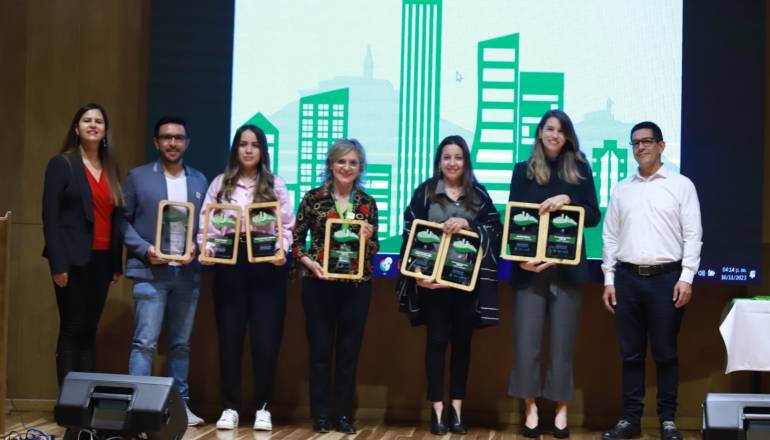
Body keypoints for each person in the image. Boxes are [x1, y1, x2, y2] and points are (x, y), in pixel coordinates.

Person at [601, 121, 702, 440]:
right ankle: (630, 420)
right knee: (630, 355)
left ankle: (667, 421)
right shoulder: (622, 188)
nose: (640, 147)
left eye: (647, 141)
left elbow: (693, 234)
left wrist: (687, 277)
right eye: (635, 143)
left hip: (667, 280)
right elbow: (610, 236)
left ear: (661, 145)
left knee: (665, 353)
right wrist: (609, 279)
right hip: (627, 279)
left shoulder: (681, 185)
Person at [396, 135, 502, 435]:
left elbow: (496, 230)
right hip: (433, 286)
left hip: (466, 286)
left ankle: (457, 409)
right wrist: (417, 273)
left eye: (458, 157)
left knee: (462, 346)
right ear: (439, 162)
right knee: (436, 343)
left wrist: (470, 225)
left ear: (466, 161)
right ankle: (437, 411)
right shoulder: (425, 192)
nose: (452, 163)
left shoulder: (479, 195)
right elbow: (410, 233)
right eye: (447, 157)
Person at [506, 110, 600, 438]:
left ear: (568, 136)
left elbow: (593, 217)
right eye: (549, 128)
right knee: (526, 344)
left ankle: (561, 409)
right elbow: (514, 219)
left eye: (561, 130)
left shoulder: (581, 170)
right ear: (539, 132)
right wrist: (521, 261)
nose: (554, 134)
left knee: (562, 345)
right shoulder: (522, 170)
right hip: (529, 270)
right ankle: (530, 408)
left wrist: (568, 199)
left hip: (567, 271)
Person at [198, 124, 295, 431]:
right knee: (230, 338)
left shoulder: (275, 184)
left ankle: (263, 407)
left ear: (263, 150)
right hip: (230, 265)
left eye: (255, 144)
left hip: (267, 264)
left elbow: (286, 226)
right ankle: (230, 407)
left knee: (265, 340)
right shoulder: (220, 183)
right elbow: (207, 225)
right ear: (236, 149)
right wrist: (207, 248)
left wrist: (281, 250)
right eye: (243, 144)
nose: (249, 149)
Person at [121, 116, 208, 426]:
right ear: (156, 142)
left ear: (187, 143)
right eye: (167, 137)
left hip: (187, 275)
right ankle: (138, 408)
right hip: (150, 273)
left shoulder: (199, 180)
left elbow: (205, 226)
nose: (173, 143)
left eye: (178, 137)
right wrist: (146, 250)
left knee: (180, 345)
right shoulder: (138, 177)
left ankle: (180, 407)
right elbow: (122, 221)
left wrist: (197, 246)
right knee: (144, 343)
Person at [292, 139, 378, 434]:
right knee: (320, 352)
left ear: (360, 168)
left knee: (348, 354)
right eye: (341, 161)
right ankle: (320, 415)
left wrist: (369, 238)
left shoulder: (367, 203)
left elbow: (374, 248)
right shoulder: (313, 198)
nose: (346, 167)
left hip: (356, 286)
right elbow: (295, 242)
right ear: (330, 164)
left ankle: (343, 416)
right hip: (319, 285)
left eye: (353, 162)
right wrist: (309, 264)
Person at [42, 103, 124, 386]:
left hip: (102, 261)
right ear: (76, 129)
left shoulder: (111, 168)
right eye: (87, 120)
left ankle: (84, 403)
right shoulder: (62, 164)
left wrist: (116, 263)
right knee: (72, 329)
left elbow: (115, 218)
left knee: (90, 331)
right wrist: (58, 264)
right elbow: (50, 218)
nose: (93, 125)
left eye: (98, 121)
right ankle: (68, 403)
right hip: (71, 260)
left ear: (105, 130)